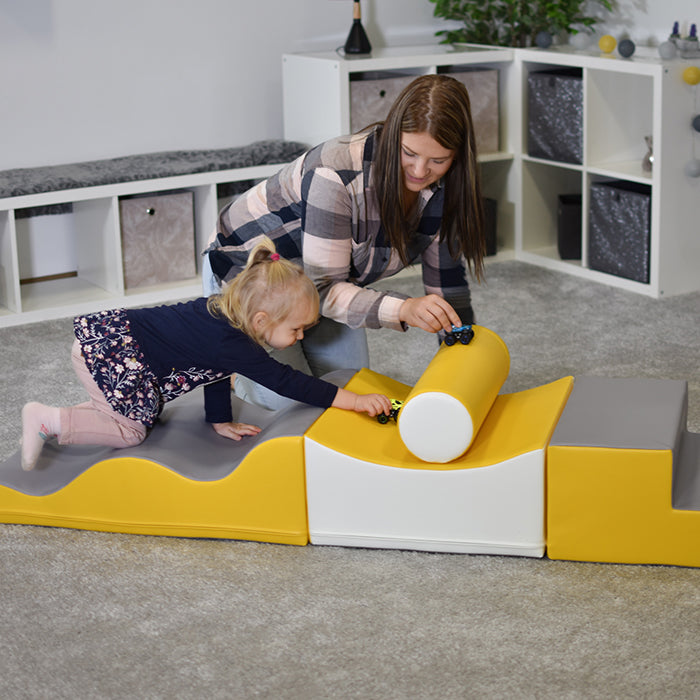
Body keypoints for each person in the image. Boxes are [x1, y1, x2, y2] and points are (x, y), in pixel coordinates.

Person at [203, 74, 486, 410]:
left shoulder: (448, 186)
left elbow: (446, 285)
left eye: (437, 160)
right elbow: (324, 289)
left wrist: (462, 362)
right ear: (393, 134)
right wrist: (406, 309)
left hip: (328, 281)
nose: (420, 170)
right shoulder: (334, 173)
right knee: (294, 406)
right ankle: (238, 376)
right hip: (252, 276)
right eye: (408, 153)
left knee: (350, 391)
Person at [20, 238, 391, 472]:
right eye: (295, 330)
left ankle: (74, 417)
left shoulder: (226, 316)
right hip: (111, 352)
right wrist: (354, 401)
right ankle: (48, 420)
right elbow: (286, 381)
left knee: (141, 414)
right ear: (262, 319)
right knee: (131, 431)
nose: (299, 338)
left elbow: (214, 371)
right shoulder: (236, 343)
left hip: (110, 345)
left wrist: (219, 419)